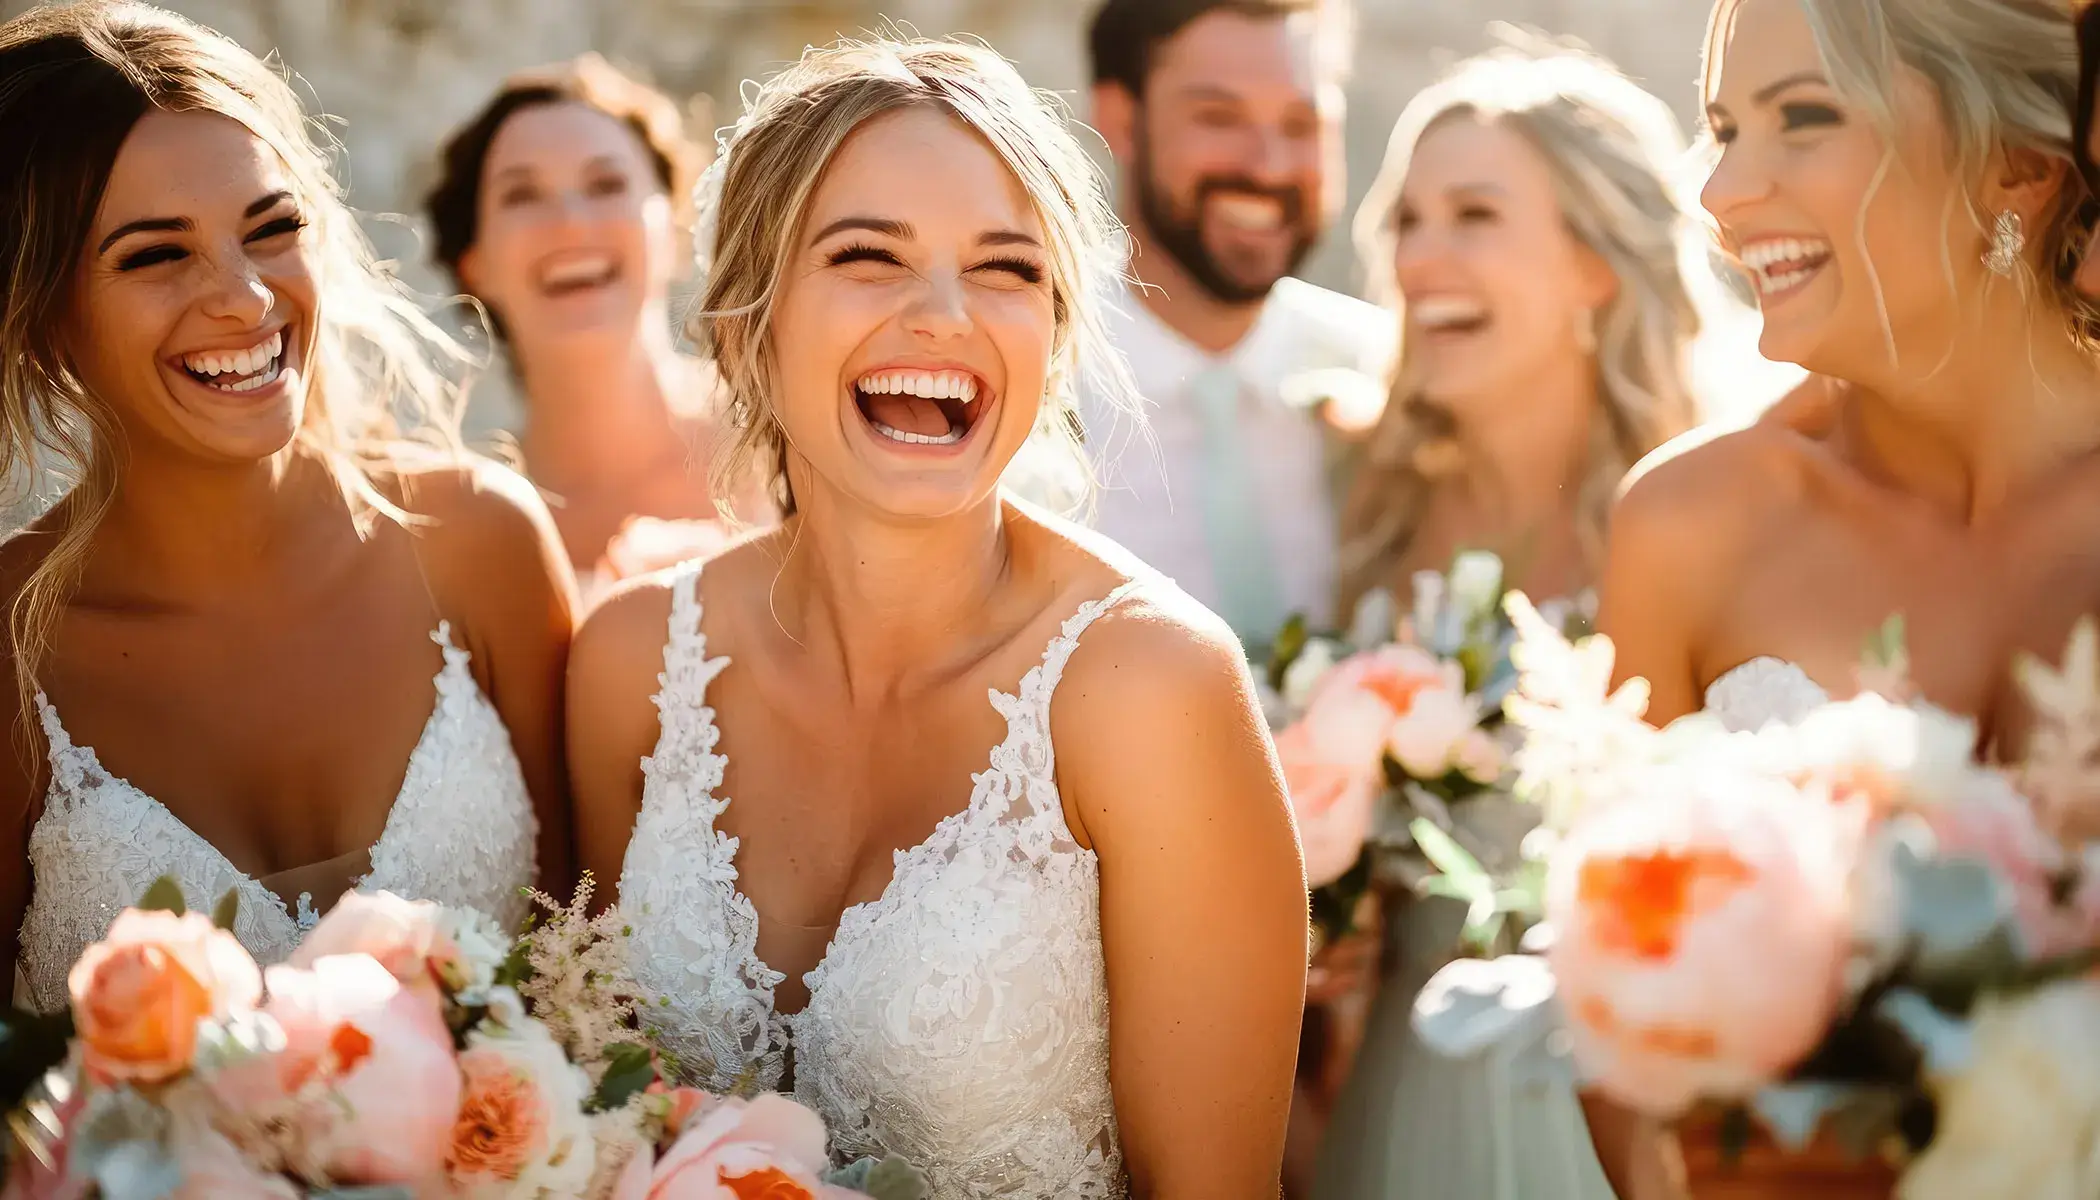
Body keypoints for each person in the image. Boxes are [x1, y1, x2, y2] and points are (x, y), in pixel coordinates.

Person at [567, 35, 1307, 1197]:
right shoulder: (631, 663)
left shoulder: (1150, 691)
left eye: (1006, 270)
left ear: (1056, 333)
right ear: (744, 321)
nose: (945, 316)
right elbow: (591, 1121)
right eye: (870, 256)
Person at [1592, 0, 2096, 1194]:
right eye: (1722, 128)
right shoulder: (1688, 529)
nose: (1720, 191)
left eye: (1801, 120)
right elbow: (1615, 1018)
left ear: (2016, 167)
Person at [0, 1, 576, 1012]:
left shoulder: (485, 546)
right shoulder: (13, 645)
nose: (247, 298)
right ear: (42, 314)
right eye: (155, 254)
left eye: (272, 230)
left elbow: (599, 990)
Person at [1312, 34, 1705, 1200]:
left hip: (1609, 1110)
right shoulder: (1357, 501)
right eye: (1408, 223)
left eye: (1474, 216)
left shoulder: (1696, 521)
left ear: (1596, 262)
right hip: (1392, 1095)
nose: (1422, 258)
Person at [1079, 0, 1394, 654]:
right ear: (1120, 120)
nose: (1271, 165)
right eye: (1218, 118)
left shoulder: (1385, 366)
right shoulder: (1033, 386)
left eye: (1301, 124)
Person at [426, 54, 758, 597]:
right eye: (522, 195)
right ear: (475, 263)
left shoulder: (791, 437)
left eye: (606, 185)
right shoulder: (466, 526)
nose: (571, 223)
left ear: (673, 230)